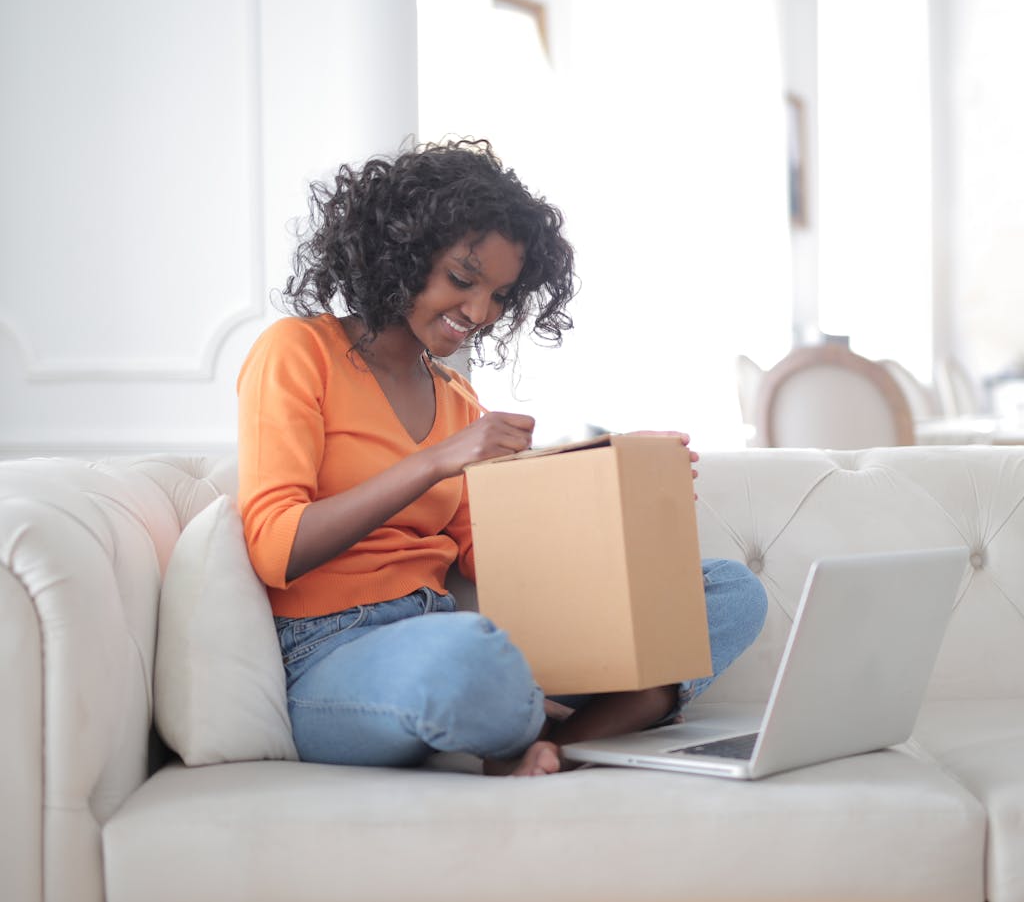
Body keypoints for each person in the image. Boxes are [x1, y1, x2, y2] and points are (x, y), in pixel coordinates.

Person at [236, 138, 767, 776]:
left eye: (500, 296)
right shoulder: (298, 351)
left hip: (442, 629)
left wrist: (615, 486)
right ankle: (588, 712)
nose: (479, 313)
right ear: (400, 252)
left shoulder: (458, 400)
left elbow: (494, 555)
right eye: (463, 280)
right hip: (331, 656)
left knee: (730, 591)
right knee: (467, 655)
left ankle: (547, 748)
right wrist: (435, 463)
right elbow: (273, 548)